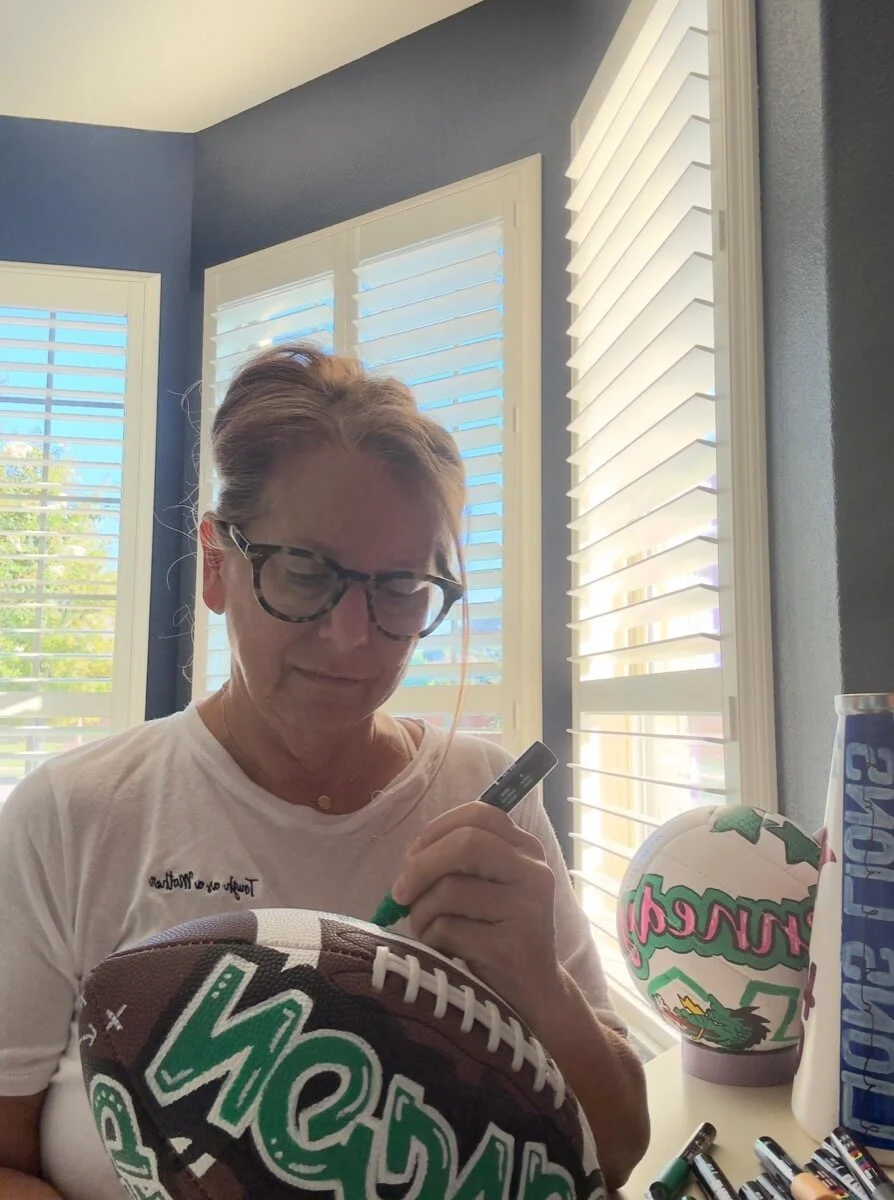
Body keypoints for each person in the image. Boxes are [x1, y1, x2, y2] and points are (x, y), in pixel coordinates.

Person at [0, 344, 648, 1199]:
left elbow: (620, 1150)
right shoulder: (72, 815)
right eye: (306, 571)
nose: (351, 635)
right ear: (218, 566)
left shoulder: (487, 804)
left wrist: (544, 987)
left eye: (402, 587)